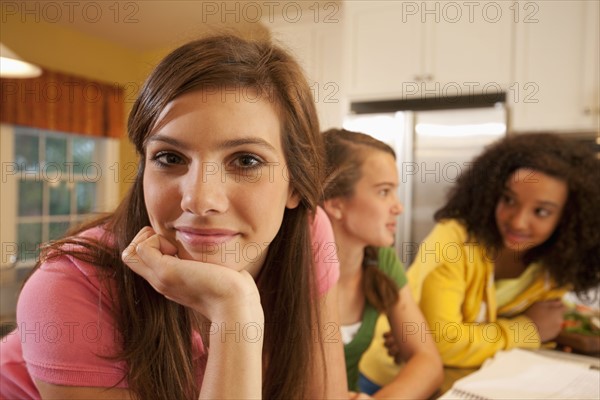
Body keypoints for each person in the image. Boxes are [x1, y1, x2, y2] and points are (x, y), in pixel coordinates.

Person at [0, 34, 348, 399]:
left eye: (246, 161)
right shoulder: (68, 287)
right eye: (170, 157)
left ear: (296, 184)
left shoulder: (309, 233)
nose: (199, 200)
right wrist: (235, 312)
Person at [403, 133, 600, 368]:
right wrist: (528, 329)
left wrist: (476, 338)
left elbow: (544, 330)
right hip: (398, 376)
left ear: (568, 218)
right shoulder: (453, 241)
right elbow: (443, 345)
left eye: (541, 212)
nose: (518, 222)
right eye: (509, 199)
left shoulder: (558, 261)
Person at [321, 128, 443, 399]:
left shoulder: (381, 259)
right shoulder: (289, 271)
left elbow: (428, 361)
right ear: (335, 204)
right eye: (384, 192)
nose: (398, 207)